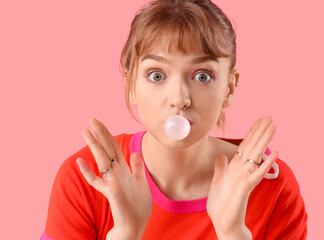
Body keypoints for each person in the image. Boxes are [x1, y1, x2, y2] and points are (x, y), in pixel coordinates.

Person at [41, 0, 308, 239]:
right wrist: (126, 233)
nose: (179, 98)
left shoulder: (272, 185)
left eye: (202, 76)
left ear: (230, 88)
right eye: (156, 75)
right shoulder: (87, 177)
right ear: (131, 84)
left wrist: (232, 232)